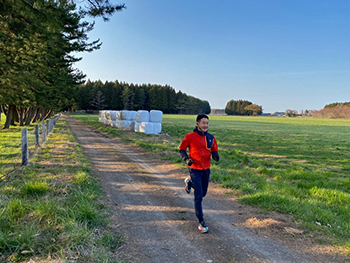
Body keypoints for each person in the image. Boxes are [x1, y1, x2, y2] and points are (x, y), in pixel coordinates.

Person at [179, 114, 219, 233]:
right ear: (197, 124)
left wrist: (215, 155)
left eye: (207, 123)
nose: (205, 125)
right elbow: (182, 149)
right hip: (194, 168)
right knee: (199, 195)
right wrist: (186, 159)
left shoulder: (211, 137)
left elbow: (214, 149)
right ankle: (201, 221)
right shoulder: (190, 136)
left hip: (206, 169)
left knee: (204, 192)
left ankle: (189, 183)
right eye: (203, 123)